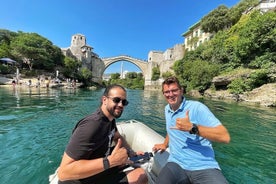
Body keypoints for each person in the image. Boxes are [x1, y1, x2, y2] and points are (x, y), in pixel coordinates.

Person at [57, 84, 148, 184]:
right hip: (80, 180)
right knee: (141, 176)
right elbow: (63, 173)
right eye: (117, 100)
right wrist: (111, 161)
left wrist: (131, 153)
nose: (121, 105)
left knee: (126, 155)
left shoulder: (110, 119)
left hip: (97, 166)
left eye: (124, 102)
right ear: (104, 100)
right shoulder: (91, 126)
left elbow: (117, 136)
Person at [152, 76, 231, 184]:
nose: (170, 94)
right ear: (163, 94)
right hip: (176, 163)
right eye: (167, 92)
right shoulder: (167, 109)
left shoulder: (197, 108)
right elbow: (171, 130)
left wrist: (193, 128)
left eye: (174, 90)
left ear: (181, 91)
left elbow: (225, 137)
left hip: (203, 165)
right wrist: (165, 144)